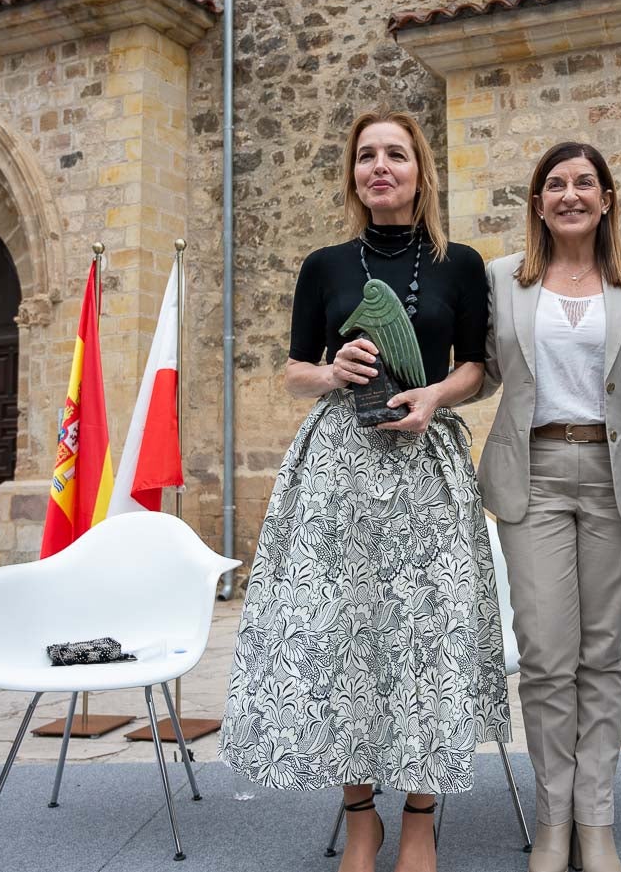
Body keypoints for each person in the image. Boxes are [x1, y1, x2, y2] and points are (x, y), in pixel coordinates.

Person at [217, 109, 511, 872]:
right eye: (366, 156)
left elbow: (476, 367)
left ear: (420, 171)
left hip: (424, 462)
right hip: (338, 469)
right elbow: (291, 369)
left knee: (421, 638)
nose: (380, 167)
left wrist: (434, 397)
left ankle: (418, 816)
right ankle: (359, 817)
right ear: (353, 173)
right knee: (341, 635)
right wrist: (330, 370)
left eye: (396, 155)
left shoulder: (460, 263)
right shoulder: (324, 264)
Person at [479, 142, 621, 872]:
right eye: (554, 184)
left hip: (615, 473)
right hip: (534, 470)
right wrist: (414, 386)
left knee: (603, 656)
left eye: (584, 182)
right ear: (536, 202)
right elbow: (475, 370)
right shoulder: (501, 280)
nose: (569, 194)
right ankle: (554, 819)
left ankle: (598, 819)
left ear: (606, 197)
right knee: (549, 658)